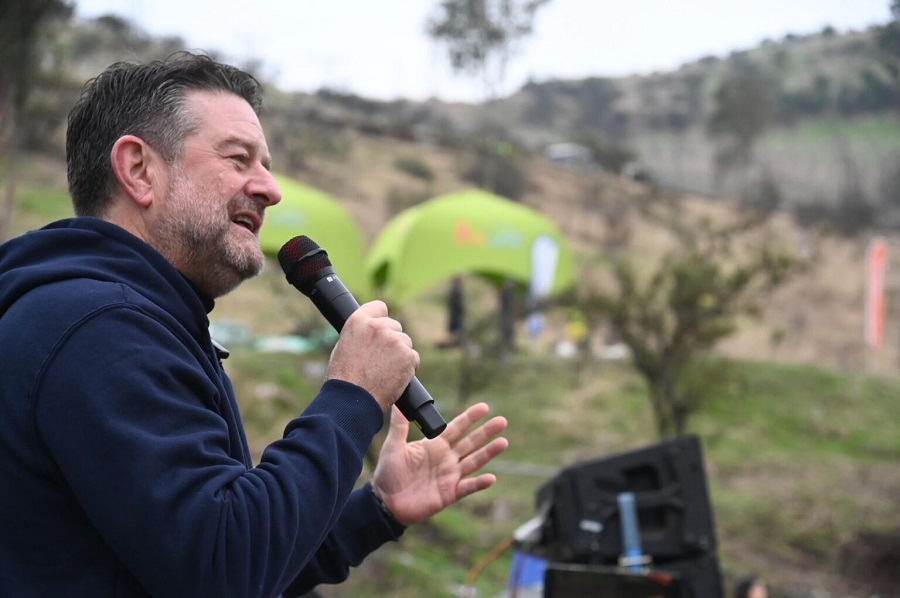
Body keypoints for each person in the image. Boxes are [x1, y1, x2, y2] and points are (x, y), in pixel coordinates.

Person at [0, 52, 508, 597]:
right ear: (139, 170)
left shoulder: (120, 318)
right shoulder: (102, 331)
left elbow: (210, 561)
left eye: (265, 164)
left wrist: (376, 512)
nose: (271, 188)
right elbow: (223, 569)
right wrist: (352, 396)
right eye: (239, 159)